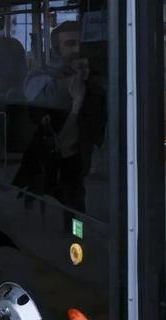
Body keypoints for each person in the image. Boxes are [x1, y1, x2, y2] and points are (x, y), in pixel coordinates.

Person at [17, 21, 106, 212]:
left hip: (84, 160)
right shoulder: (42, 79)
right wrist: (68, 81)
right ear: (56, 50)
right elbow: (37, 95)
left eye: (80, 43)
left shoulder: (96, 82)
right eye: (70, 44)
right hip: (53, 157)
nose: (77, 49)